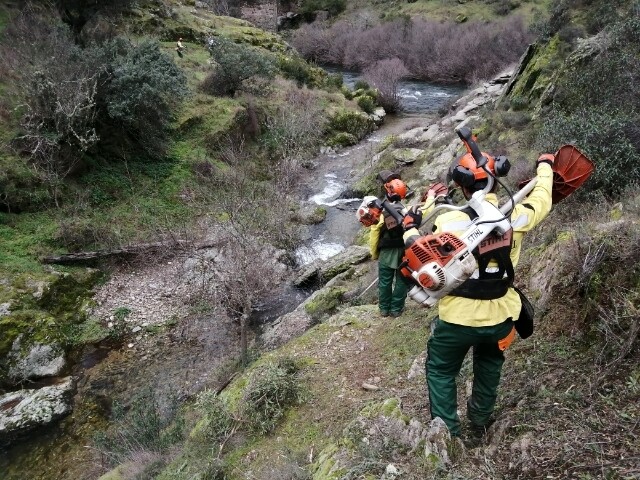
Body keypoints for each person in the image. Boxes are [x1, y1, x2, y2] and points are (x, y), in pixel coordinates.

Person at [405, 151, 554, 444]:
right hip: (500, 317)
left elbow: (417, 248)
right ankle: (480, 422)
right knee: (489, 366)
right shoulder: (517, 215)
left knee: (440, 370)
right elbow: (543, 200)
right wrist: (545, 166)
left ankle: (447, 433)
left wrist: (410, 224)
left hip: (456, 321)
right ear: (496, 181)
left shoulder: (447, 221)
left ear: (462, 187)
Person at [369, 178, 410, 318]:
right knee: (401, 281)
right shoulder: (406, 211)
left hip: (386, 252)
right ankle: (396, 309)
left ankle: (384, 309)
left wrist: (374, 254)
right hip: (404, 251)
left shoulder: (381, 214)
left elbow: (375, 234)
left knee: (385, 282)